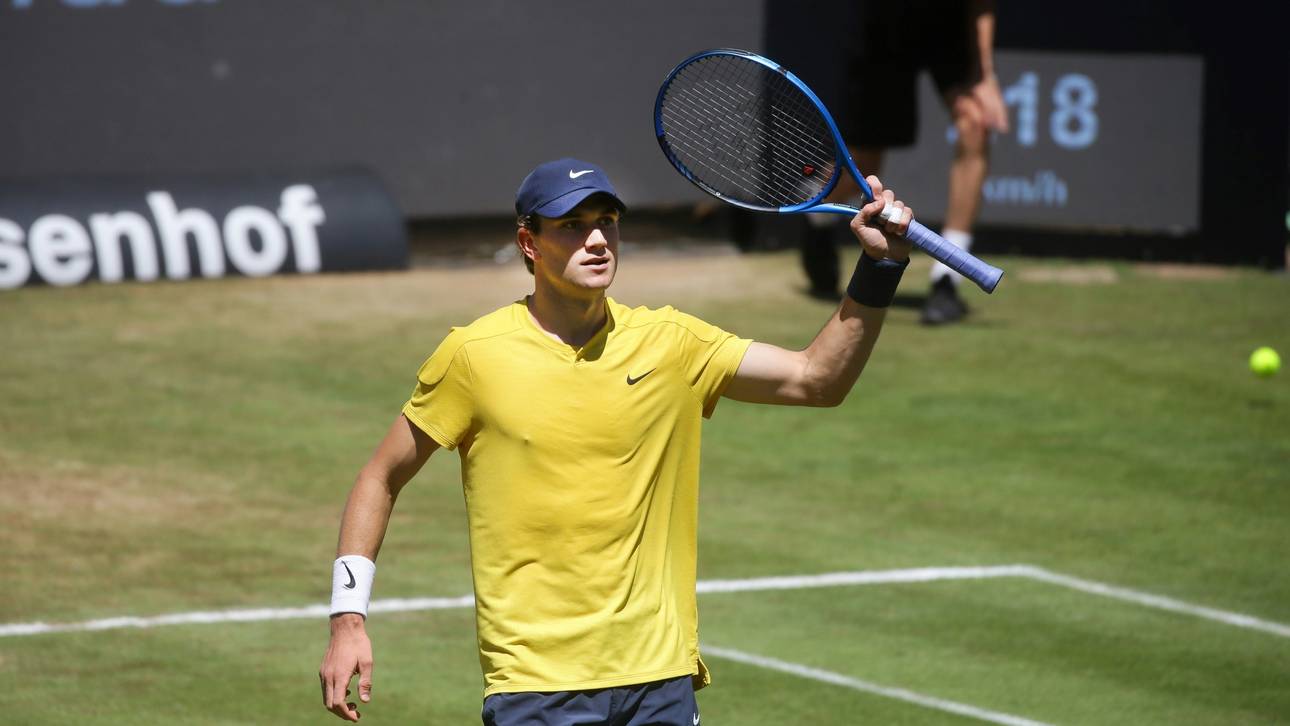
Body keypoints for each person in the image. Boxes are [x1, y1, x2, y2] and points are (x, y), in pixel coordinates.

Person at [318, 157, 914, 725]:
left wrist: (880, 268)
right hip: (535, 684)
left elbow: (818, 379)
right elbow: (381, 476)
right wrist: (349, 619)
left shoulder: (673, 344)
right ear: (530, 244)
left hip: (659, 678)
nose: (597, 240)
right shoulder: (474, 357)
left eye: (606, 222)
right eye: (572, 226)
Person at [800, 0, 1008, 324]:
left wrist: (984, 75)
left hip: (945, 25)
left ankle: (946, 279)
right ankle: (818, 220)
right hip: (883, 26)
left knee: (975, 125)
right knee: (865, 165)